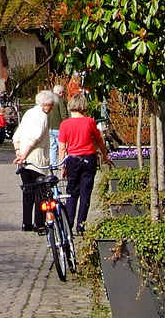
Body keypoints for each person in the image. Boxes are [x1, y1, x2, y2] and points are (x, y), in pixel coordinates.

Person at [58, 93, 107, 232]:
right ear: (84, 106)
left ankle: (68, 224)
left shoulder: (65, 124)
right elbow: (99, 140)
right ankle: (81, 225)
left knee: (72, 193)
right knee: (86, 192)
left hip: (72, 159)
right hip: (88, 159)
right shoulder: (90, 122)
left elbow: (62, 147)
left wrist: (62, 165)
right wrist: (104, 155)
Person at [13, 90, 56, 233]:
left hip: (24, 162)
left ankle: (26, 223)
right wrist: (24, 154)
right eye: (51, 105)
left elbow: (17, 135)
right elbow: (35, 138)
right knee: (40, 192)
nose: (52, 108)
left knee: (27, 191)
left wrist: (18, 151)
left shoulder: (28, 113)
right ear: (45, 105)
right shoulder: (42, 116)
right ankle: (39, 222)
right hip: (37, 160)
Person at [46, 84, 66, 167]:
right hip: (59, 127)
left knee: (52, 147)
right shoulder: (60, 100)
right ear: (60, 92)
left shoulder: (49, 100)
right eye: (63, 93)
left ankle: (53, 164)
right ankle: (62, 164)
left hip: (50, 127)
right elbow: (63, 114)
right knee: (62, 147)